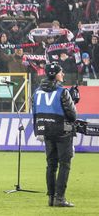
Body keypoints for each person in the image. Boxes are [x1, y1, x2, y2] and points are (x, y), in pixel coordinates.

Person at [33, 62, 78, 207]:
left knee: (51, 165)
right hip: (62, 132)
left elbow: (35, 111)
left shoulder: (37, 91)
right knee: (64, 164)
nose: (63, 74)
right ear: (56, 74)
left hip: (46, 131)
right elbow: (72, 115)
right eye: (61, 72)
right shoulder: (62, 91)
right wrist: (74, 101)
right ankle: (60, 198)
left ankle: (51, 198)